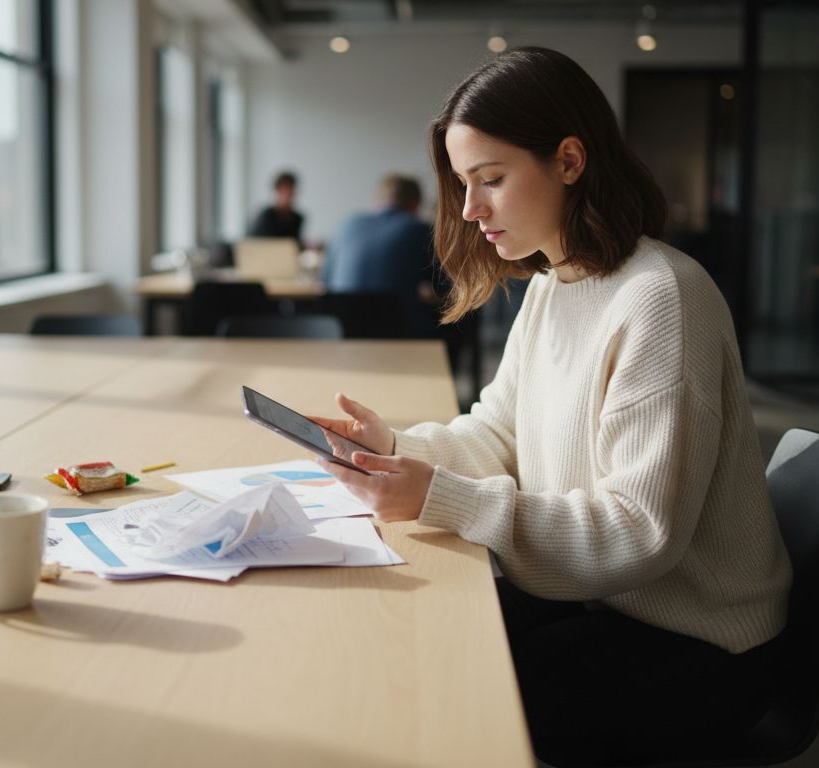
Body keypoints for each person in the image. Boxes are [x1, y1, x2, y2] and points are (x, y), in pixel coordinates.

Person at [310, 47, 792, 766]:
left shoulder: (661, 299)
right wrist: (398, 447)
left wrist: (444, 497)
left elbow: (641, 532)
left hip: (698, 642)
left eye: (490, 180)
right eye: (464, 185)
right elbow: (501, 429)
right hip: (605, 601)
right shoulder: (554, 284)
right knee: (415, 639)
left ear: (569, 160)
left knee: (446, 700)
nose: (470, 210)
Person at [320, 174, 438, 337]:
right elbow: (443, 285)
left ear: (378, 201)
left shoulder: (347, 223)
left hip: (341, 332)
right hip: (398, 334)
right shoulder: (420, 229)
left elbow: (325, 281)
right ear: (415, 204)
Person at [247, 171, 304, 246]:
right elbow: (253, 243)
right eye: (284, 191)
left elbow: (295, 245)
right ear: (277, 191)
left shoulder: (297, 218)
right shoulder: (266, 216)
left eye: (290, 191)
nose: (287, 195)